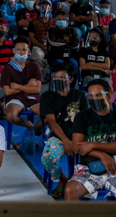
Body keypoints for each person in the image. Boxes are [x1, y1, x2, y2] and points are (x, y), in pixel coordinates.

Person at [40, 63, 89, 199]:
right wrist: (66, 141)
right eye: (55, 77)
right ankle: (63, 178)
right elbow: (51, 121)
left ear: (71, 79)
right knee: (48, 158)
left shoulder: (80, 95)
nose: (58, 80)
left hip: (80, 137)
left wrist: (76, 141)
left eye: (62, 77)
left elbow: (85, 120)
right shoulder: (47, 96)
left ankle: (83, 185)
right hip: (59, 137)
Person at [65, 79, 116, 200]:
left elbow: (86, 146)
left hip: (114, 166)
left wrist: (93, 145)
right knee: (70, 190)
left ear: (108, 95)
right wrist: (102, 155)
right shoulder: (82, 116)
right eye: (91, 96)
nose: (94, 99)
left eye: (98, 95)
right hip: (90, 166)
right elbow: (77, 147)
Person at [1, 37, 42, 131]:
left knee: (48, 115)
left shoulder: (35, 66)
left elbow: (37, 89)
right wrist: (28, 86)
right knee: (11, 116)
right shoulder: (8, 68)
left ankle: (35, 128)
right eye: (18, 49)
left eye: (24, 49)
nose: (21, 52)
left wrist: (17, 86)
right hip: (15, 97)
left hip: (32, 97)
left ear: (28, 51)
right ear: (13, 51)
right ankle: (27, 125)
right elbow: (7, 92)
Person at [46, 10, 80, 76]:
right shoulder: (51, 31)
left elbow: (76, 44)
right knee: (60, 66)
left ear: (67, 21)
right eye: (59, 19)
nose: (61, 21)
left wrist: (61, 45)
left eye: (63, 19)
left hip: (70, 56)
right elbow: (53, 42)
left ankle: (72, 86)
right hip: (56, 56)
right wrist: (68, 42)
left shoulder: (72, 31)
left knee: (75, 65)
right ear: (55, 21)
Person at [28, 0, 54, 69]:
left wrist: (50, 46)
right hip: (38, 45)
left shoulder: (54, 22)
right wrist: (42, 46)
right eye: (43, 7)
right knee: (37, 56)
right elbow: (31, 37)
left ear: (50, 10)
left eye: (47, 7)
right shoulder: (34, 22)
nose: (45, 9)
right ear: (39, 9)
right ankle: (46, 70)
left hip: (52, 46)